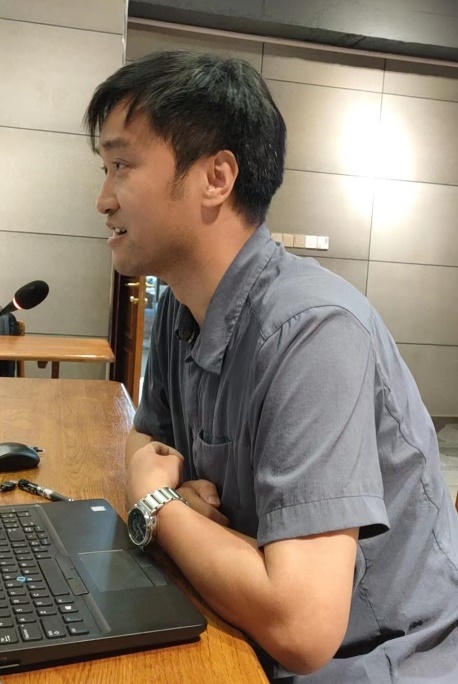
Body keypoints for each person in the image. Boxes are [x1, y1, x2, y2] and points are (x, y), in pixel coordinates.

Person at [85, 51, 458, 683]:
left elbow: (302, 626)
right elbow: (147, 441)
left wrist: (157, 505)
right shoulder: (181, 305)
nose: (103, 200)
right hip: (248, 628)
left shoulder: (312, 330)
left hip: (381, 659)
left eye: (121, 166)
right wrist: (166, 488)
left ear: (216, 178)